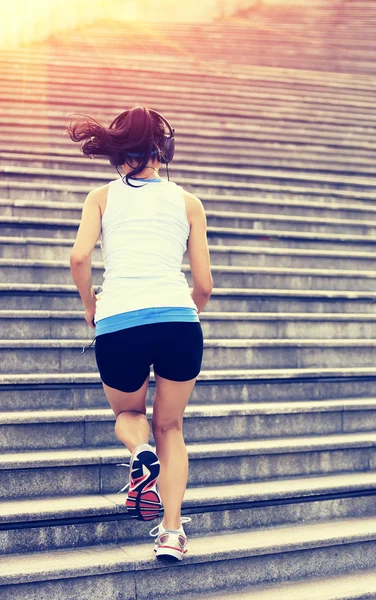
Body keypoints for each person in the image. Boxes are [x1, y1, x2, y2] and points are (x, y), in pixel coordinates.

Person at [67, 105, 213, 561]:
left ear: (118, 148)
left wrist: (93, 307)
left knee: (130, 416)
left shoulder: (102, 197)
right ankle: (172, 533)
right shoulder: (189, 202)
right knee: (172, 426)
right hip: (177, 321)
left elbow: (78, 258)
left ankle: (139, 452)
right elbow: (205, 285)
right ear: (160, 149)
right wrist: (187, 312)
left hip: (119, 322)